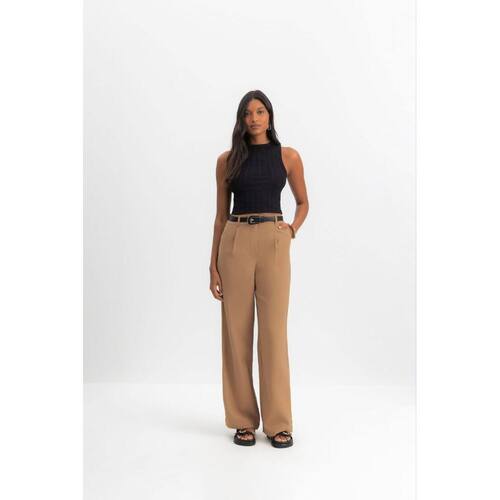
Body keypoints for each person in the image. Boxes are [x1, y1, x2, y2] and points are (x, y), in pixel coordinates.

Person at [209, 90, 309, 448]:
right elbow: (220, 216)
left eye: (260, 111)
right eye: (247, 113)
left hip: (273, 241)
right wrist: (213, 266)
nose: (254, 118)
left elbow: (303, 202)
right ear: (241, 119)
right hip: (235, 240)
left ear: (270, 116)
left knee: (273, 332)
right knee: (235, 333)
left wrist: (291, 230)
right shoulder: (227, 161)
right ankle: (242, 420)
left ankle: (279, 421)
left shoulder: (288, 156)